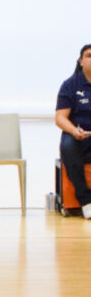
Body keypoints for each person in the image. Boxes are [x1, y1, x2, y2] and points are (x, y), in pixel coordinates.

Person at [55, 44, 91, 219]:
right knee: (68, 146)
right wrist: (74, 130)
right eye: (89, 55)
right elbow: (60, 117)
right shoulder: (70, 85)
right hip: (78, 133)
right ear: (81, 61)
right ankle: (86, 201)